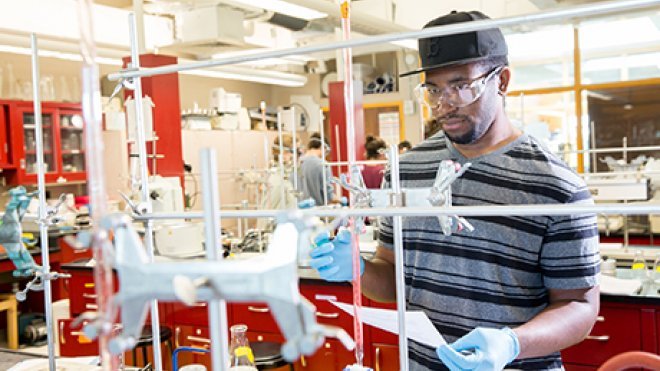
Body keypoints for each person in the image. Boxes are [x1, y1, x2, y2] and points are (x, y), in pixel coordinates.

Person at [309, 10, 599, 371]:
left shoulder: (555, 185)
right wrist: (359, 269)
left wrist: (513, 343)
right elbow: (391, 277)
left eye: (462, 85)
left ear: (502, 80)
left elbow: (580, 308)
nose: (445, 104)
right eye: (433, 89)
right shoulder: (406, 171)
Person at [256, 133, 298, 230]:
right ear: (283, 153)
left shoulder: (285, 177)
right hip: (275, 235)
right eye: (293, 151)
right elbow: (267, 213)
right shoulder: (276, 180)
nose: (295, 155)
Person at [299, 132, 335, 206]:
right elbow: (329, 196)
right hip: (318, 212)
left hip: (299, 212)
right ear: (323, 147)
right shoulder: (323, 164)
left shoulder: (297, 163)